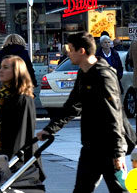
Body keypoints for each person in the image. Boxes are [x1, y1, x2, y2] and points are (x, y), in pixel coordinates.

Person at [36, 32, 127, 193]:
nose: (68, 53)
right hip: (91, 146)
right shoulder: (83, 73)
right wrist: (50, 129)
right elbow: (72, 106)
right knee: (81, 189)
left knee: (118, 189)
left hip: (108, 147)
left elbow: (115, 115)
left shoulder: (103, 76)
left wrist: (118, 153)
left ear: (82, 51)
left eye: (70, 49)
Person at [0, 55, 44, 181]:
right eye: (0, 67)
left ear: (16, 72)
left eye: (5, 67)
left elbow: (23, 135)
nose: (0, 70)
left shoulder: (23, 99)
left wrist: (12, 163)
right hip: (4, 156)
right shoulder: (4, 96)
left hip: (19, 161)